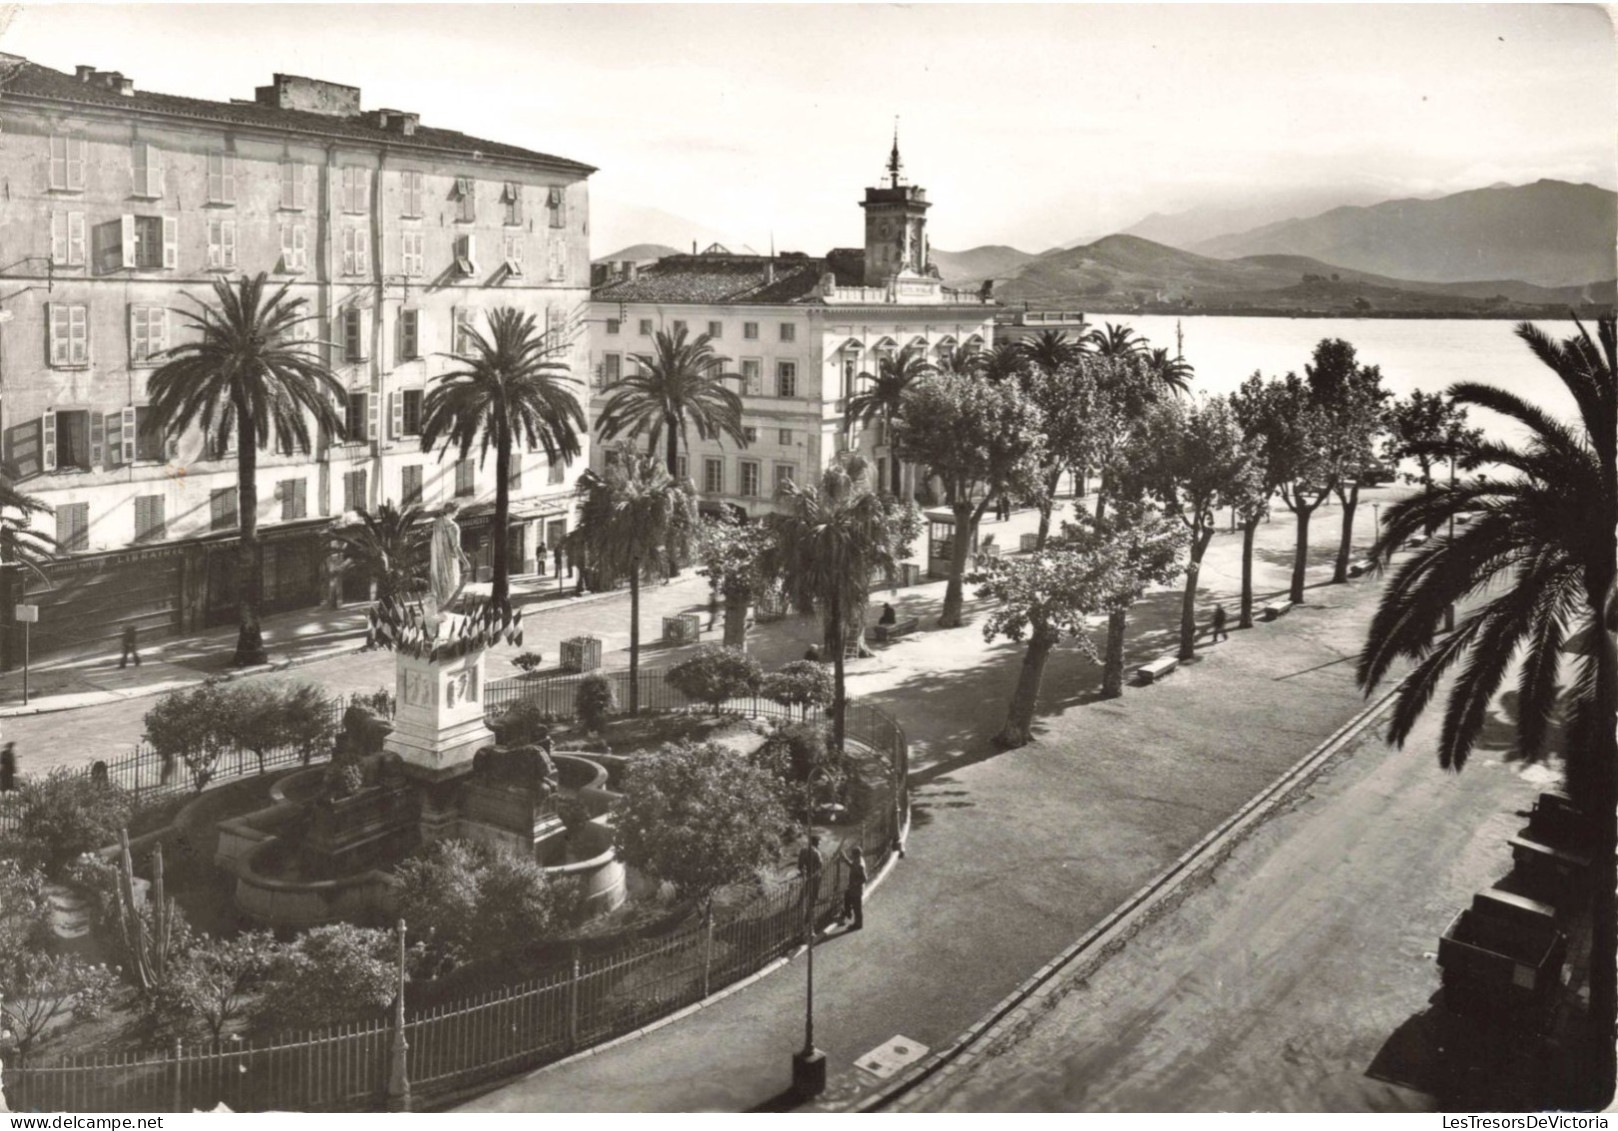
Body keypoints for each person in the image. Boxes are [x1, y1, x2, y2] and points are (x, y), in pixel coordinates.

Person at [837, 845, 867, 931]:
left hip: (857, 890)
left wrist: (855, 883)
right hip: (853, 889)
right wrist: (844, 857)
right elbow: (852, 865)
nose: (851, 856)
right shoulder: (857, 861)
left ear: (856, 854)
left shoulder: (860, 865)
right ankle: (848, 913)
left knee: (857, 907)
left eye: (852, 854)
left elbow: (865, 878)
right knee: (847, 896)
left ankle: (858, 924)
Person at [797, 834, 824, 925]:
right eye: (819, 842)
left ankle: (800, 902)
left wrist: (802, 870)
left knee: (806, 887)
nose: (820, 844)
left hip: (807, 874)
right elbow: (820, 864)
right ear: (816, 843)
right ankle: (810, 908)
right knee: (814, 891)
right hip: (815, 874)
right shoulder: (816, 852)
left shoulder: (803, 850)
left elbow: (799, 865)